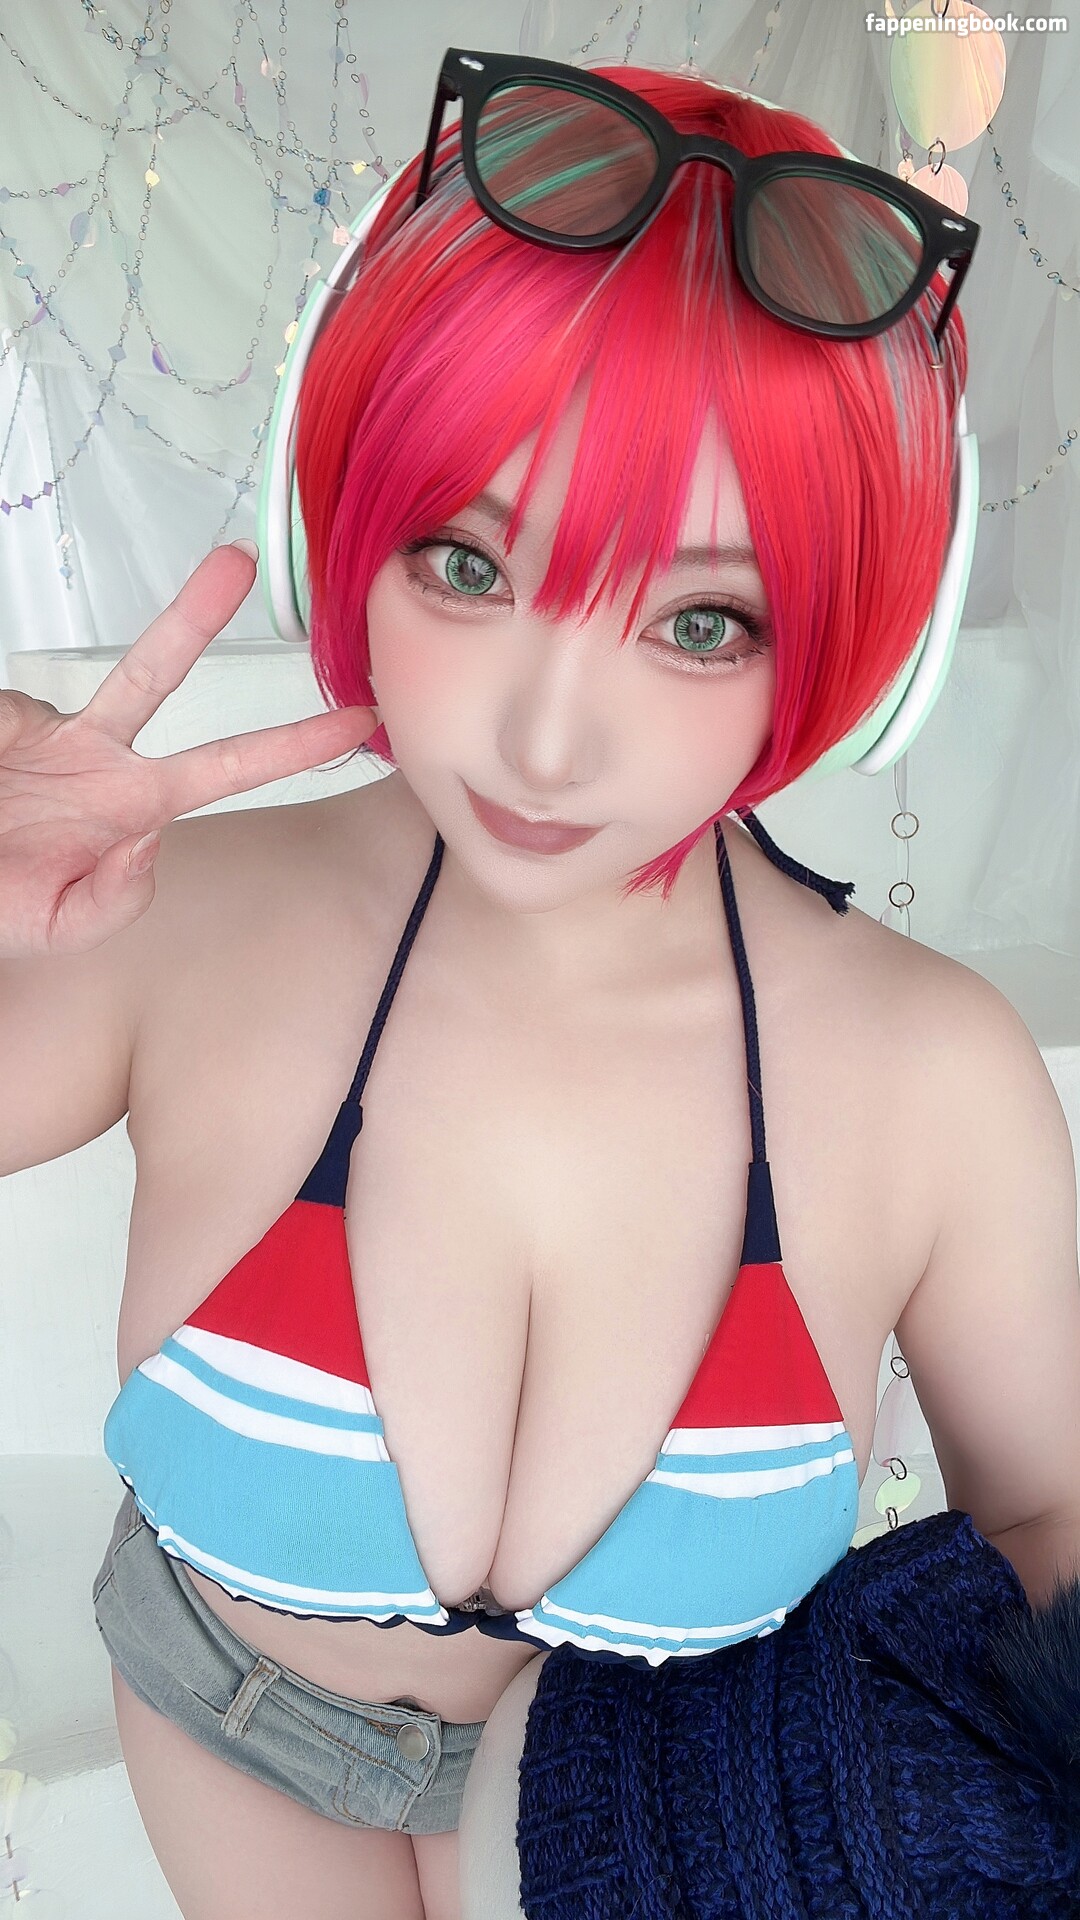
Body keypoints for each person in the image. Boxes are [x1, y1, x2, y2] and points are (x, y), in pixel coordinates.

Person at [5, 50, 1073, 1920]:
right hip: (223, 1723)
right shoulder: (178, 925)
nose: (548, 738)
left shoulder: (933, 1078)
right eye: (470, 561)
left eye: (700, 620)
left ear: (845, 642)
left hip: (645, 1815)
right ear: (346, 525)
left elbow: (1048, 1514)